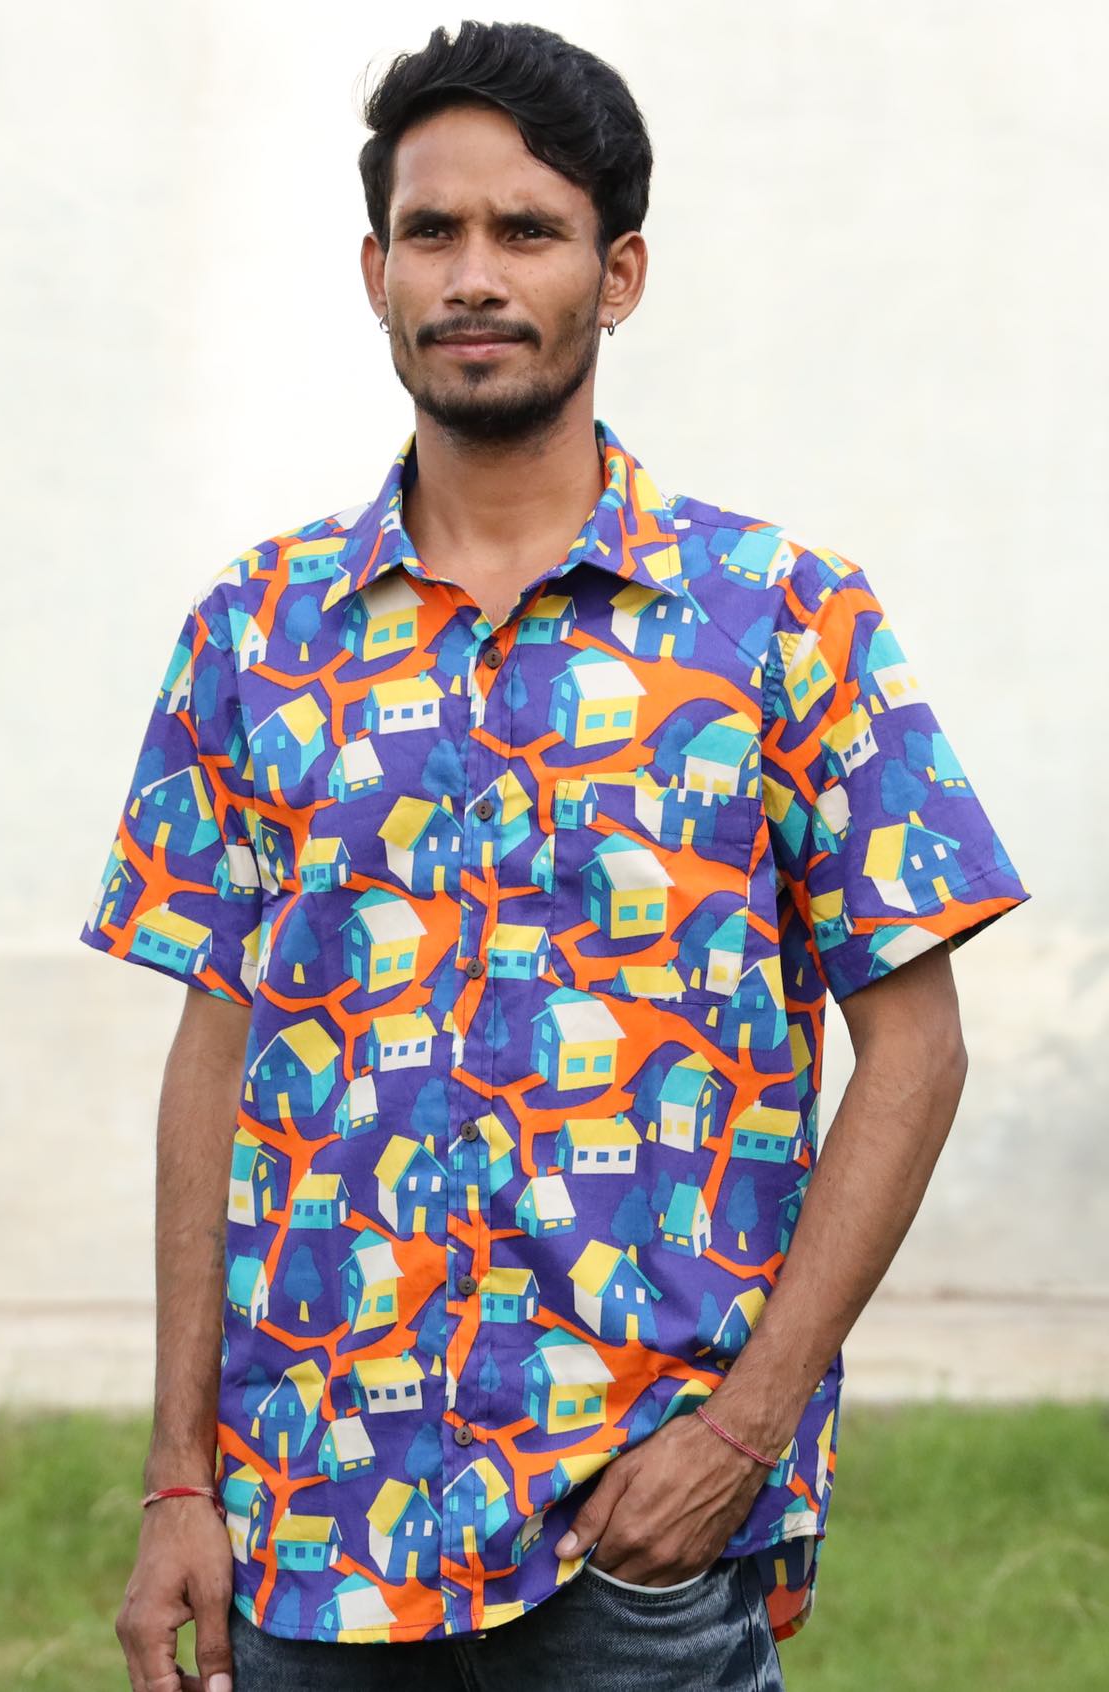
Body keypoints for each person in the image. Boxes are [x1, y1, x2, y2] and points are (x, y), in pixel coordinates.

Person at [79, 19, 1031, 1692]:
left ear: (620, 273)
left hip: (635, 1542)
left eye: (528, 231)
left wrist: (744, 1432)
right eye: (432, 231)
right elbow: (215, 1051)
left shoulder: (782, 620)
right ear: (375, 272)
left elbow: (918, 1048)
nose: (474, 275)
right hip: (315, 1536)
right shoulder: (256, 630)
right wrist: (177, 1480)